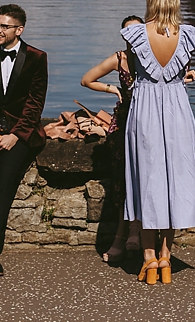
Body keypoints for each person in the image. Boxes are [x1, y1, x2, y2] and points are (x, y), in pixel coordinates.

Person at [122, 0, 195, 285]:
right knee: (174, 179)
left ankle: (148, 258)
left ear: (151, 0)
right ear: (175, 1)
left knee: (147, 180)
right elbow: (177, 69)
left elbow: (140, 72)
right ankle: (165, 256)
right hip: (176, 108)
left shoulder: (136, 33)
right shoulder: (187, 34)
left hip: (146, 108)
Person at [0, 4, 48, 278]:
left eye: (4, 26)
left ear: (19, 30)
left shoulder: (37, 58)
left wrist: (16, 136)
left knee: (3, 184)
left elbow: (35, 104)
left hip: (21, 135)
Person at [81, 15, 145, 264]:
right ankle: (123, 235)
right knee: (121, 182)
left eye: (137, 30)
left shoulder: (152, 57)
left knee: (143, 180)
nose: (132, 35)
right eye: (128, 31)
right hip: (124, 124)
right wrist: (113, 89)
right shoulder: (119, 58)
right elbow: (86, 80)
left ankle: (137, 232)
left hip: (146, 123)